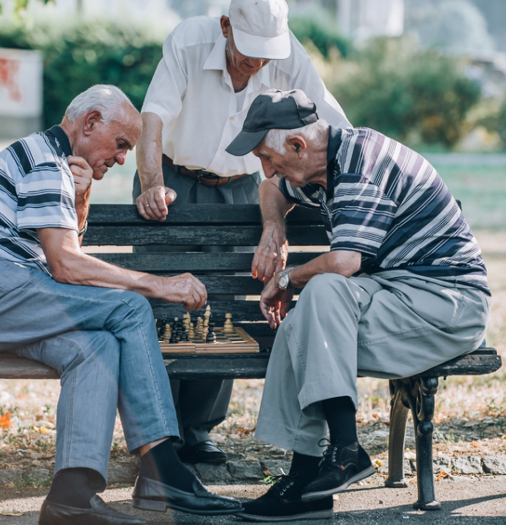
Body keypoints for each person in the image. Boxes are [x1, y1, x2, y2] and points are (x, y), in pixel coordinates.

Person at [0, 85, 242, 525]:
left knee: (95, 347)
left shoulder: (55, 162)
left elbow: (60, 249)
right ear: (90, 122)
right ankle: (165, 472)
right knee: (130, 309)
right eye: (121, 144)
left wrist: (81, 196)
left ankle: (71, 498)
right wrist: (160, 284)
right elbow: (67, 267)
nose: (122, 158)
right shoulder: (44, 160)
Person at [225, 89, 492, 521]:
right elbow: (271, 187)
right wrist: (274, 226)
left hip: (448, 303)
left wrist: (286, 277)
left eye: (267, 156)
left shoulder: (361, 164)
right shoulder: (323, 162)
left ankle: (344, 450)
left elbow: (345, 263)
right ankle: (307, 483)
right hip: (399, 293)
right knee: (300, 326)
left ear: (298, 145)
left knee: (323, 292)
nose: (265, 167)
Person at [133, 0, 351, 465]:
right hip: (173, 177)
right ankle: (157, 432)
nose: (259, 64)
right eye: (249, 52)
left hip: (244, 187)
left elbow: (332, 120)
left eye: (266, 54)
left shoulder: (286, 53)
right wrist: (151, 184)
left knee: (225, 302)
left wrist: (364, 170)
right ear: (226, 27)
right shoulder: (189, 40)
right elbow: (152, 120)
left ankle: (197, 430)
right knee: (163, 303)